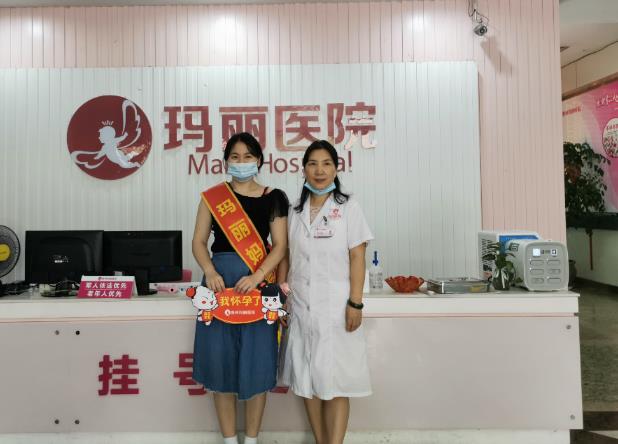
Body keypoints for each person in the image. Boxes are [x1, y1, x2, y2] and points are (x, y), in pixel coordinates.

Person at [191, 132, 289, 444]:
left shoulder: (274, 197)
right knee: (220, 362)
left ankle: (252, 439)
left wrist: (258, 275)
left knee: (258, 361)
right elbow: (198, 242)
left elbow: (280, 246)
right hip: (219, 285)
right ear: (226, 162)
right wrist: (209, 271)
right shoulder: (213, 198)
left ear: (259, 161)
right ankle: (229, 440)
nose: (241, 162)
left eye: (248, 156)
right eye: (235, 156)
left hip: (258, 286)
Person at [280, 140, 373, 444]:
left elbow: (357, 256)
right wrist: (283, 301)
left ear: (336, 168)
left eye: (326, 164)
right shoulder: (294, 211)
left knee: (336, 382)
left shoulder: (348, 207)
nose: (319, 171)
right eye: (313, 164)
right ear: (303, 169)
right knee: (307, 381)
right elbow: (286, 257)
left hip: (336, 308)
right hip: (300, 306)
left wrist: (355, 303)